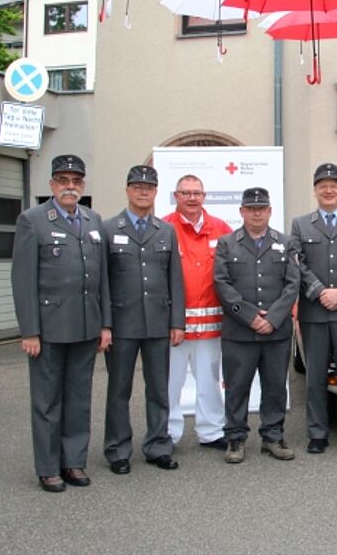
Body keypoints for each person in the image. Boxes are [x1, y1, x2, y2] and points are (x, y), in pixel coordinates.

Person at [11, 154, 111, 492]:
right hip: (49, 330)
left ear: (82, 185)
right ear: (52, 185)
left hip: (85, 327)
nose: (70, 187)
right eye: (63, 181)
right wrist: (29, 330)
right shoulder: (33, 220)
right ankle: (48, 467)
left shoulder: (93, 219)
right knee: (47, 401)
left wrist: (105, 325)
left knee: (79, 399)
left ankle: (73, 462)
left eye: (76, 181)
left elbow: (104, 279)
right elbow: (23, 280)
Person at [102, 165, 184, 475]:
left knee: (158, 389)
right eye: (137, 186)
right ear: (127, 190)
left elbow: (174, 278)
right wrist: (105, 325)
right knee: (119, 389)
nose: (143, 191)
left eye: (148, 187)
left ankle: (158, 446)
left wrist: (177, 322)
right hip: (122, 324)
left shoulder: (165, 231)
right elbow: (103, 283)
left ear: (155, 192)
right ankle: (118, 450)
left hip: (157, 323)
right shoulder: (110, 228)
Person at [214, 188, 301, 464]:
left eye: (261, 208)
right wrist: (250, 316)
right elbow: (221, 283)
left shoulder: (286, 243)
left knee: (275, 386)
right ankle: (236, 438)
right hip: (239, 331)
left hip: (276, 332)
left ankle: (273, 437)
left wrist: (272, 318)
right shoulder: (227, 243)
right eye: (251, 209)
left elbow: (292, 284)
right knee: (237, 387)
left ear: (270, 211)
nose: (256, 213)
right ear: (241, 212)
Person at [290, 163, 337, 456]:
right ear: (316, 190)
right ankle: (317, 433)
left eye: (333, 185)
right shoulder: (301, 224)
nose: (329, 190)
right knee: (315, 377)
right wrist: (320, 291)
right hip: (315, 311)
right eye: (323, 185)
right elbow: (298, 264)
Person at [162, 174, 230, 449]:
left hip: (211, 324)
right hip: (174, 325)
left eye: (197, 193)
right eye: (186, 193)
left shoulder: (221, 228)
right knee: (169, 383)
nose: (192, 198)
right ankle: (167, 434)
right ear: (176, 196)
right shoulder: (163, 228)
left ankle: (212, 431)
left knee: (210, 381)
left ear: (205, 196)